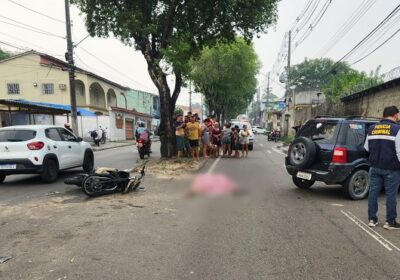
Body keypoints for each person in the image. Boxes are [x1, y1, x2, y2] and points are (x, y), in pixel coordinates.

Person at [365, 106, 400, 230]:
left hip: (374, 167)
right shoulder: (397, 129)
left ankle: (372, 220)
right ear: (395, 115)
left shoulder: (371, 129)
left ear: (384, 115)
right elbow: (399, 151)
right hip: (391, 168)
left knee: (373, 192)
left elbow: (367, 148)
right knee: (391, 195)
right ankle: (390, 222)